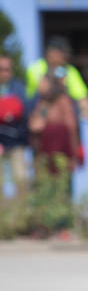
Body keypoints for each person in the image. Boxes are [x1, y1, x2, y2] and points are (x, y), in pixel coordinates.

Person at [28, 73, 82, 232]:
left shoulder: (63, 101)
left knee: (63, 185)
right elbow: (34, 124)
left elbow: (71, 125)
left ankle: (64, 224)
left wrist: (74, 152)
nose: (39, 86)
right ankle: (47, 223)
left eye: (42, 83)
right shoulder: (42, 102)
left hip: (61, 151)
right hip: (46, 152)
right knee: (46, 186)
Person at [25, 37, 88, 114]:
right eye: (61, 54)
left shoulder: (70, 70)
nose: (64, 58)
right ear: (50, 53)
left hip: (63, 112)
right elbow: (38, 94)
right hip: (39, 109)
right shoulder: (35, 68)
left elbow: (83, 98)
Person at [0, 55, 30, 205]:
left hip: (16, 141)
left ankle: (22, 213)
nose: (4, 73)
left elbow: (25, 112)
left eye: (7, 69)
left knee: (21, 179)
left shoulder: (19, 87)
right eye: (1, 69)